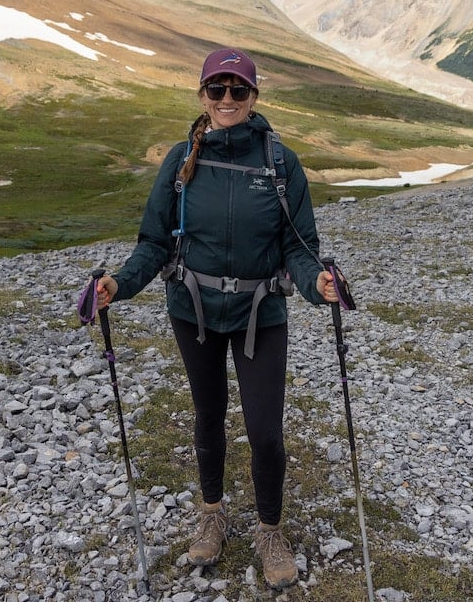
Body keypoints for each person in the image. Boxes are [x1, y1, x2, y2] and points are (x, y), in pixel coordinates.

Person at [92, 47, 340, 590]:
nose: (227, 99)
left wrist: (317, 286)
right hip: (193, 311)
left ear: (254, 96)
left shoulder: (280, 163)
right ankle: (212, 511)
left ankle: (270, 529)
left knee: (265, 431)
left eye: (238, 90)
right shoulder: (183, 159)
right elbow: (154, 242)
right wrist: (119, 284)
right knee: (207, 417)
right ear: (202, 95)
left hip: (261, 314)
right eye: (216, 89)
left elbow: (301, 247)